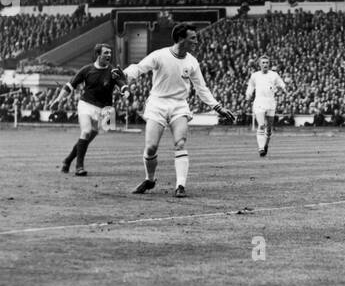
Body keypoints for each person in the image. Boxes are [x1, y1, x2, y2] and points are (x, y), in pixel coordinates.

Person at [121, 22, 234, 197]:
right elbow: (139, 68)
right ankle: (149, 180)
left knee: (180, 143)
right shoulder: (160, 55)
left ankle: (180, 185)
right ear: (181, 38)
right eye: (193, 38)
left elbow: (201, 88)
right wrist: (125, 74)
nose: (196, 42)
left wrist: (217, 107)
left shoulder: (192, 62)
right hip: (157, 103)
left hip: (179, 105)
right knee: (151, 147)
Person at [61, 43, 126, 176]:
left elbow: (122, 85)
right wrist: (59, 98)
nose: (109, 55)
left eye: (110, 53)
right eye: (106, 53)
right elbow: (70, 85)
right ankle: (79, 167)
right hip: (86, 104)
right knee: (86, 131)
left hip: (105, 109)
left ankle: (67, 160)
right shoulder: (87, 69)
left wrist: (126, 91)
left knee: (88, 137)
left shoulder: (113, 71)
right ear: (98, 55)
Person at [245, 55, 287, 157]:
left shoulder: (274, 75)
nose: (265, 64)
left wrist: (283, 89)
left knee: (268, 128)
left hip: (271, 103)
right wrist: (248, 94)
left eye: (267, 63)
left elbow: (282, 84)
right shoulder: (255, 75)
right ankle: (261, 148)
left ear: (269, 64)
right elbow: (250, 86)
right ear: (259, 64)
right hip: (259, 102)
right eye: (263, 63)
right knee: (261, 124)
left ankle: (266, 145)